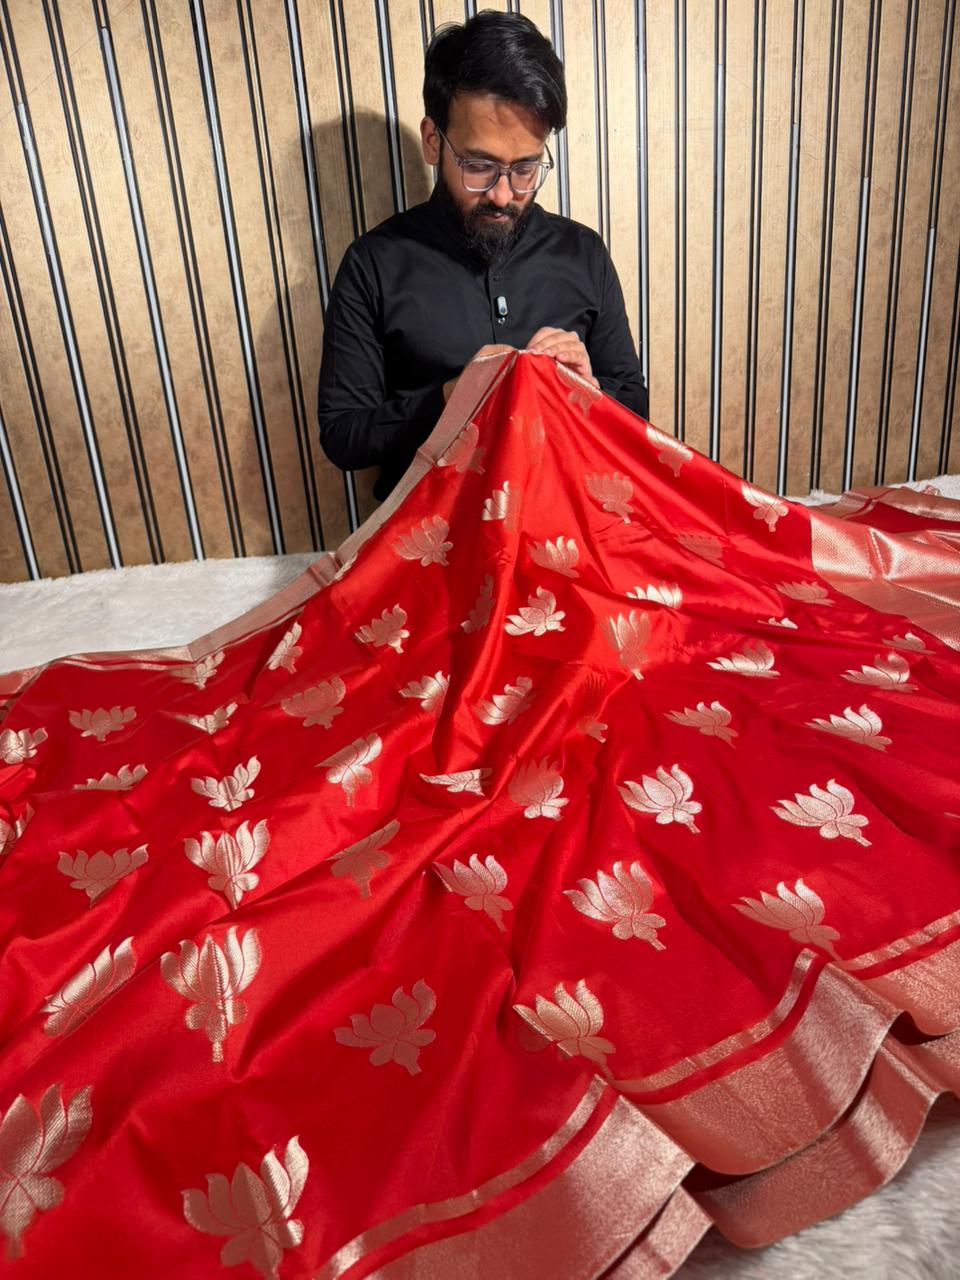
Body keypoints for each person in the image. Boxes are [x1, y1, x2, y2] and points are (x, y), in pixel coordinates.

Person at [317, 9, 647, 501]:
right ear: (434, 141)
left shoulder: (583, 253)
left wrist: (590, 389)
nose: (502, 194)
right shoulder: (373, 265)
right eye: (479, 165)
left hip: (568, 510)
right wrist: (453, 396)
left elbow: (636, 411)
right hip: (434, 526)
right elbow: (344, 435)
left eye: (526, 168)